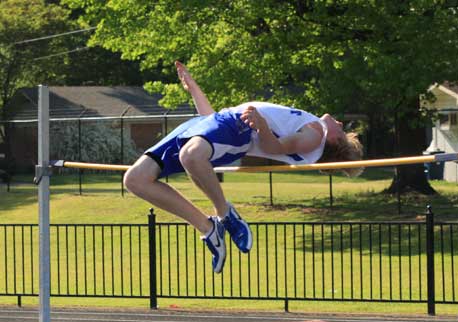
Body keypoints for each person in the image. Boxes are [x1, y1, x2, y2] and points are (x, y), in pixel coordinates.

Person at [124, 61, 363, 273]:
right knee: (135, 180)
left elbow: (274, 148)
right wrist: (194, 88)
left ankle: (226, 214)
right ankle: (208, 228)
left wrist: (261, 125)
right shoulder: (313, 127)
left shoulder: (315, 136)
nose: (340, 123)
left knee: (191, 156)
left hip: (236, 128)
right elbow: (212, 121)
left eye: (341, 130)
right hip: (211, 125)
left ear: (334, 141)